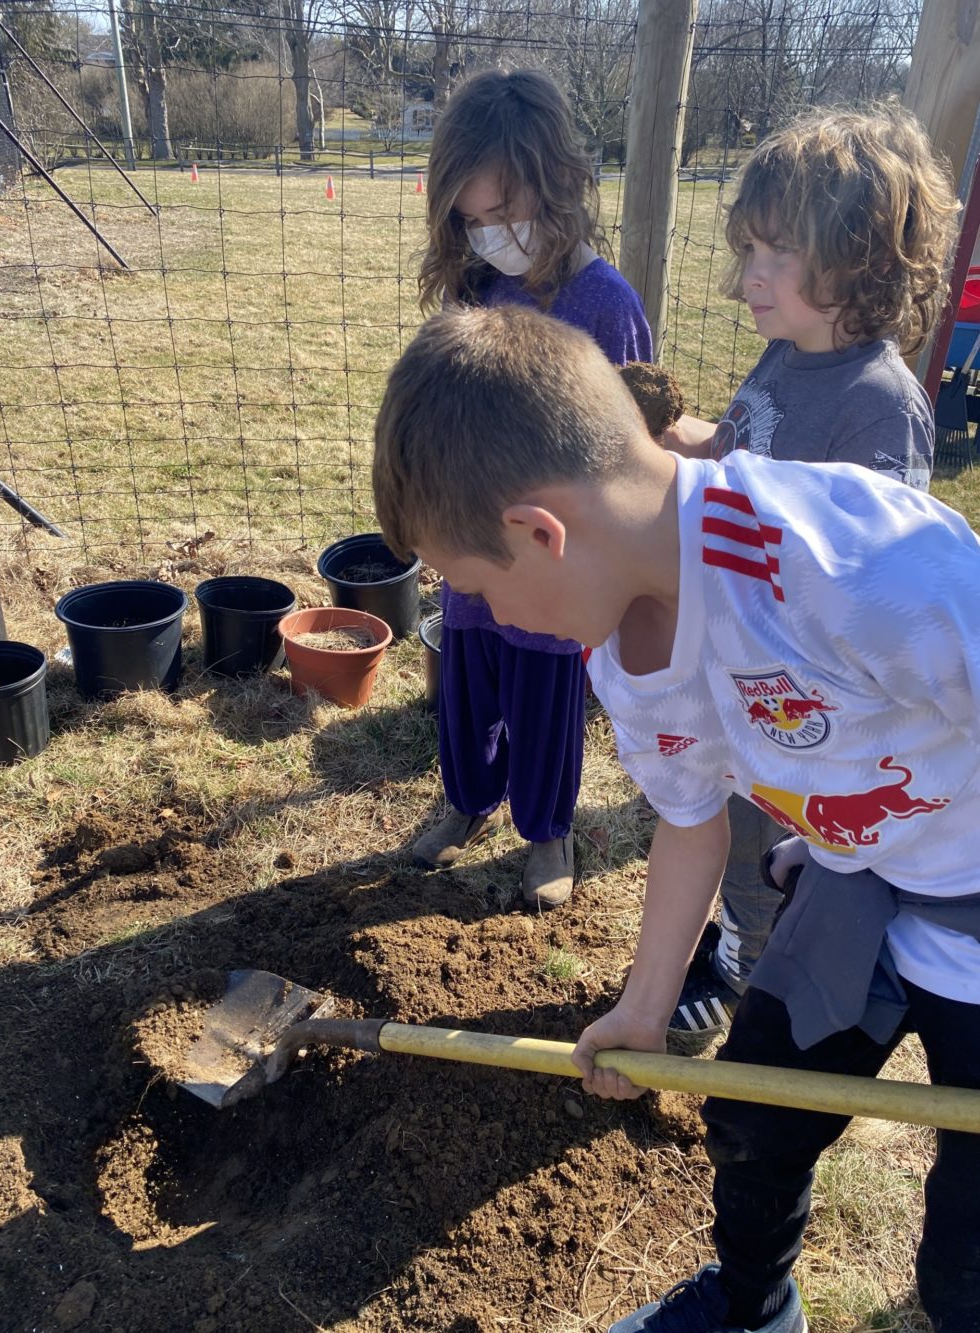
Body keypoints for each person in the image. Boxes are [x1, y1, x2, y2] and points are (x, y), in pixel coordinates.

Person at [372, 302, 980, 1333]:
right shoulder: (626, 654)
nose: (490, 619)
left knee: (966, 1250)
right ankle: (749, 1308)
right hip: (855, 880)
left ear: (538, 532)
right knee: (753, 1117)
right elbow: (692, 824)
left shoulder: (856, 571)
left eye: (478, 589)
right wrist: (644, 1008)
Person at [658, 103, 959, 1035]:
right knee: (734, 804)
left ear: (860, 259)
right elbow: (749, 448)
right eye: (747, 248)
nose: (748, 276)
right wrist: (686, 445)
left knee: (772, 833)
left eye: (774, 253)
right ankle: (743, 924)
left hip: (804, 690)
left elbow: (873, 581)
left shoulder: (880, 406)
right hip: (744, 653)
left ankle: (755, 959)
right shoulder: (785, 357)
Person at [412, 66, 652, 909]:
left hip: (557, 554)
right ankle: (465, 800)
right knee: (471, 667)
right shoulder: (475, 284)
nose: (490, 236)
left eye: (505, 216)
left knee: (544, 686)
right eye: (473, 221)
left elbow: (630, 443)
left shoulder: (604, 302)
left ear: (556, 188)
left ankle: (547, 830)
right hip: (478, 538)